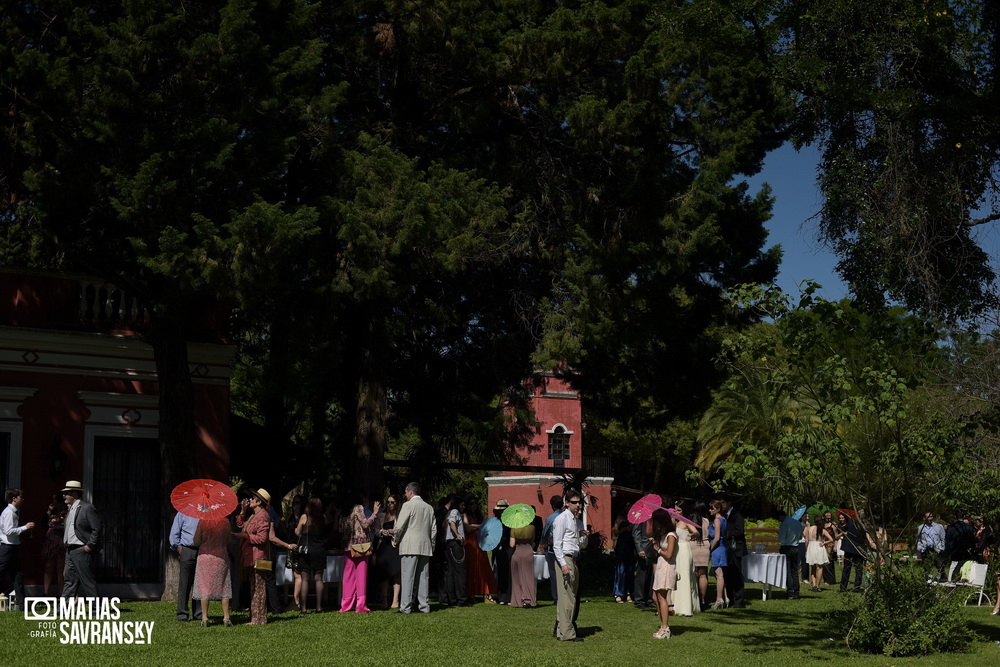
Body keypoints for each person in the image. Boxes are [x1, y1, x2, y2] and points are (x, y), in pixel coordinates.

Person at [234, 488, 284, 625]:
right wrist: (243, 513)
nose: (250, 500)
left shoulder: (263, 516)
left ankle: (259, 618)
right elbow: (241, 526)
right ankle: (255, 617)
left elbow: (262, 539)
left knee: (259, 588)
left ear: (259, 502)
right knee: (254, 586)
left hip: (258, 557)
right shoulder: (254, 515)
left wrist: (245, 536)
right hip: (250, 555)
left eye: (252, 498)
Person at [394, 482, 436, 614]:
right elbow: (433, 530)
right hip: (425, 545)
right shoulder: (429, 508)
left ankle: (405, 607)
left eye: (406, 492)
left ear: (410, 492)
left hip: (410, 545)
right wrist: (432, 545)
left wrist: (395, 540)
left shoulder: (408, 505)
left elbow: (399, 526)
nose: (405, 495)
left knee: (407, 577)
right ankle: (424, 606)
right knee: (424, 578)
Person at [552, 489, 584, 642]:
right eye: (574, 502)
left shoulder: (573, 519)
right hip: (565, 558)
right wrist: (563, 564)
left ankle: (561, 630)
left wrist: (582, 537)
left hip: (572, 558)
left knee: (568, 596)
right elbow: (556, 545)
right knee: (568, 597)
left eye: (579, 502)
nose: (577, 505)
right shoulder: (562, 519)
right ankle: (567, 633)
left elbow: (576, 543)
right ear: (566, 503)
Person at [341, 492, 380, 613]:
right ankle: (361, 605)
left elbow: (341, 528)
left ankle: (346, 604)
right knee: (361, 575)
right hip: (361, 546)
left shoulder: (344, 510)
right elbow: (365, 524)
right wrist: (374, 513)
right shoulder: (358, 507)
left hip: (348, 545)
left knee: (348, 576)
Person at [61, 480, 101, 599]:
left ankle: (96, 608)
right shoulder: (70, 509)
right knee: (69, 580)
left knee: (87, 580)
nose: (64, 495)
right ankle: (64, 607)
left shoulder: (86, 508)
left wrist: (90, 545)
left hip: (81, 549)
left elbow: (96, 528)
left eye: (67, 493)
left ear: (74, 493)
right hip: (69, 549)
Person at [193, 517, 233, 626]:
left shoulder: (202, 521)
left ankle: (205, 618)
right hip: (221, 557)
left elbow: (196, 541)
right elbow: (229, 539)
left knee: (204, 587)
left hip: (205, 557)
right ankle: (226, 617)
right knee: (224, 585)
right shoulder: (225, 521)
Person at [0, 488, 35, 610]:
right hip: (7, 548)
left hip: (13, 547)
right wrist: (25, 527)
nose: (22, 499)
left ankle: (21, 604)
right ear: (14, 498)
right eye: (21, 497)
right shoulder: (9, 512)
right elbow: (8, 531)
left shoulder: (12, 512)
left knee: (17, 575)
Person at [295, 497, 327, 613]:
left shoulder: (305, 517)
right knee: (318, 578)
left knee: (305, 579)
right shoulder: (323, 518)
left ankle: (303, 608)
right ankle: (319, 606)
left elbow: (298, 532)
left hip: (306, 550)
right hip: (319, 549)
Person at [463, 493, 496, 603]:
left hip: (480, 543)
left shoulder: (478, 515)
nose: (473, 506)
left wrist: (476, 526)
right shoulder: (465, 515)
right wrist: (479, 526)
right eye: (471, 504)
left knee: (483, 566)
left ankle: (485, 592)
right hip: (471, 543)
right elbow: (467, 528)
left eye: (475, 503)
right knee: (471, 567)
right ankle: (471, 592)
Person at [169, 510, 202, 622]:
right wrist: (178, 548)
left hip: (203, 550)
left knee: (200, 583)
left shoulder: (207, 513)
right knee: (185, 582)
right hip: (187, 548)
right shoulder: (183, 512)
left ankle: (199, 613)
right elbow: (175, 532)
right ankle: (182, 613)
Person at [650, 510, 677, 639]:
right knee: (655, 596)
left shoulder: (671, 535)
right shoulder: (663, 534)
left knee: (662, 597)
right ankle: (663, 625)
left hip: (667, 567)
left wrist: (658, 549)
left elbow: (669, 554)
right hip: (661, 566)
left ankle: (665, 627)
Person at [672, 502, 699, 616]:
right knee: (676, 575)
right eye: (675, 510)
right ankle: (674, 604)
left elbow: (696, 532)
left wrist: (691, 536)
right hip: (676, 550)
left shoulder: (686, 522)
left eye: (678, 510)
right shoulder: (674, 523)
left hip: (684, 549)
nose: (676, 512)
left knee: (685, 575)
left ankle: (686, 606)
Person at [375, 494, 402, 609]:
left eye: (392, 502)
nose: (390, 504)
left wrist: (394, 532)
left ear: (396, 504)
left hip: (395, 547)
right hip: (383, 547)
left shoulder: (400, 516)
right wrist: (382, 532)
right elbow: (375, 530)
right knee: (384, 575)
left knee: (396, 574)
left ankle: (395, 600)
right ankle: (384, 599)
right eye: (388, 502)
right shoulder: (381, 516)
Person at [442, 494, 469, 607]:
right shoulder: (455, 512)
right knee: (460, 572)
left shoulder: (450, 512)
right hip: (455, 544)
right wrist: (458, 535)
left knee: (451, 572)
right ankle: (461, 598)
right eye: (462, 504)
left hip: (450, 544)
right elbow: (451, 522)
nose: (463, 507)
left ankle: (451, 599)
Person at [720, 496, 746, 608]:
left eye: (723, 503)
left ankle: (738, 600)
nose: (722, 506)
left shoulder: (737, 515)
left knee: (736, 574)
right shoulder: (724, 516)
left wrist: (727, 534)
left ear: (728, 503)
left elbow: (739, 531)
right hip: (728, 549)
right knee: (728, 575)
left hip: (736, 549)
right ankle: (730, 598)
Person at [41, 494, 67, 597]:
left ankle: (60, 594)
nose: (53, 501)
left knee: (60, 569)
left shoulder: (65, 513)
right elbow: (43, 524)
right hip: (51, 541)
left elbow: (66, 526)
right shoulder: (49, 512)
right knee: (48, 567)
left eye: (55, 499)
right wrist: (49, 513)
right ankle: (46, 593)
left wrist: (60, 522)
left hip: (60, 540)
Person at [540, 495, 563, 603]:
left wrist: (542, 542)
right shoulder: (567, 516)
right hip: (565, 547)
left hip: (553, 548)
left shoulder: (550, 518)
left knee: (554, 574)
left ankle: (556, 597)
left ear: (552, 506)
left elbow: (545, 533)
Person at [688, 500, 712, 608]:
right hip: (704, 546)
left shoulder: (690, 520)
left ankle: (695, 598)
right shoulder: (706, 520)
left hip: (693, 545)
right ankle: (703, 599)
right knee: (703, 575)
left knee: (693, 574)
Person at [839, 510, 868, 593]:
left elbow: (844, 528)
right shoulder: (864, 525)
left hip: (849, 547)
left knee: (846, 568)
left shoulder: (851, 522)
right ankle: (857, 586)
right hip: (859, 548)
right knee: (859, 568)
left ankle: (843, 586)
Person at [510, 521, 537, 608]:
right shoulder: (532, 528)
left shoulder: (514, 528)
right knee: (528, 577)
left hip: (517, 553)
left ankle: (517, 601)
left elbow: (512, 544)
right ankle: (528, 599)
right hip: (528, 552)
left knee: (516, 579)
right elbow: (532, 540)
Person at [777, 509, 802, 600]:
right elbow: (800, 537)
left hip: (787, 548)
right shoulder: (797, 523)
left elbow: (782, 538)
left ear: (781, 516)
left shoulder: (784, 523)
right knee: (795, 571)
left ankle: (790, 592)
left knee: (788, 571)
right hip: (795, 547)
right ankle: (796, 592)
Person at [492, 499, 513, 605]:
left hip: (502, 548)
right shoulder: (507, 521)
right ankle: (504, 595)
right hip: (504, 548)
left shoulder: (499, 521)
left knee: (503, 571)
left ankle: (503, 595)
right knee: (504, 572)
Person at [708, 499, 728, 609]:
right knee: (719, 574)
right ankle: (725, 597)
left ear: (718, 509)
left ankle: (719, 599)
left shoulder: (717, 520)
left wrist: (710, 548)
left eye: (712, 508)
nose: (710, 510)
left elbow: (716, 538)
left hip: (718, 548)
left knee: (719, 574)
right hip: (722, 547)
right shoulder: (724, 519)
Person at [286, 494, 305, 610]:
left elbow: (299, 532)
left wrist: (298, 515)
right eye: (293, 503)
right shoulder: (291, 517)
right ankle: (296, 599)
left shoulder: (302, 517)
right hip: (291, 547)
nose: (294, 505)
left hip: (299, 548)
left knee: (298, 575)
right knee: (295, 574)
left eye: (297, 503)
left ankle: (296, 600)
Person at [916, 511, 946, 580]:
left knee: (939, 564)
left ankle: (942, 577)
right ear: (924, 518)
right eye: (929, 517)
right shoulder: (920, 528)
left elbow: (943, 539)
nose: (930, 518)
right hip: (925, 548)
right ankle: (929, 577)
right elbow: (919, 539)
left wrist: (942, 548)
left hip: (936, 548)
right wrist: (920, 548)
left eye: (931, 516)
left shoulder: (939, 527)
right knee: (927, 564)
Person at [612, 512, 634, 604]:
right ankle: (618, 593)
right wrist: (625, 529)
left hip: (631, 545)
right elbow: (616, 532)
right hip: (622, 545)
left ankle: (629, 593)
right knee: (621, 569)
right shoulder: (620, 518)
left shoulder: (634, 518)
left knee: (630, 569)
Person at [806, 515, 832, 592]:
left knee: (813, 567)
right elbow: (831, 539)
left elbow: (806, 540)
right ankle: (817, 585)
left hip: (811, 547)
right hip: (819, 547)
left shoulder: (809, 529)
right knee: (820, 567)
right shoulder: (823, 530)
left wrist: (806, 550)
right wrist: (824, 542)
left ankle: (814, 585)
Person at [822, 510, 840, 585]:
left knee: (830, 562)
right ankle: (825, 579)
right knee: (823, 562)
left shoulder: (833, 525)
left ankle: (831, 580)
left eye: (829, 516)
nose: (828, 517)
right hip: (823, 544)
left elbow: (836, 536)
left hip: (830, 545)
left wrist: (835, 546)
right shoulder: (823, 525)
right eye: (826, 516)